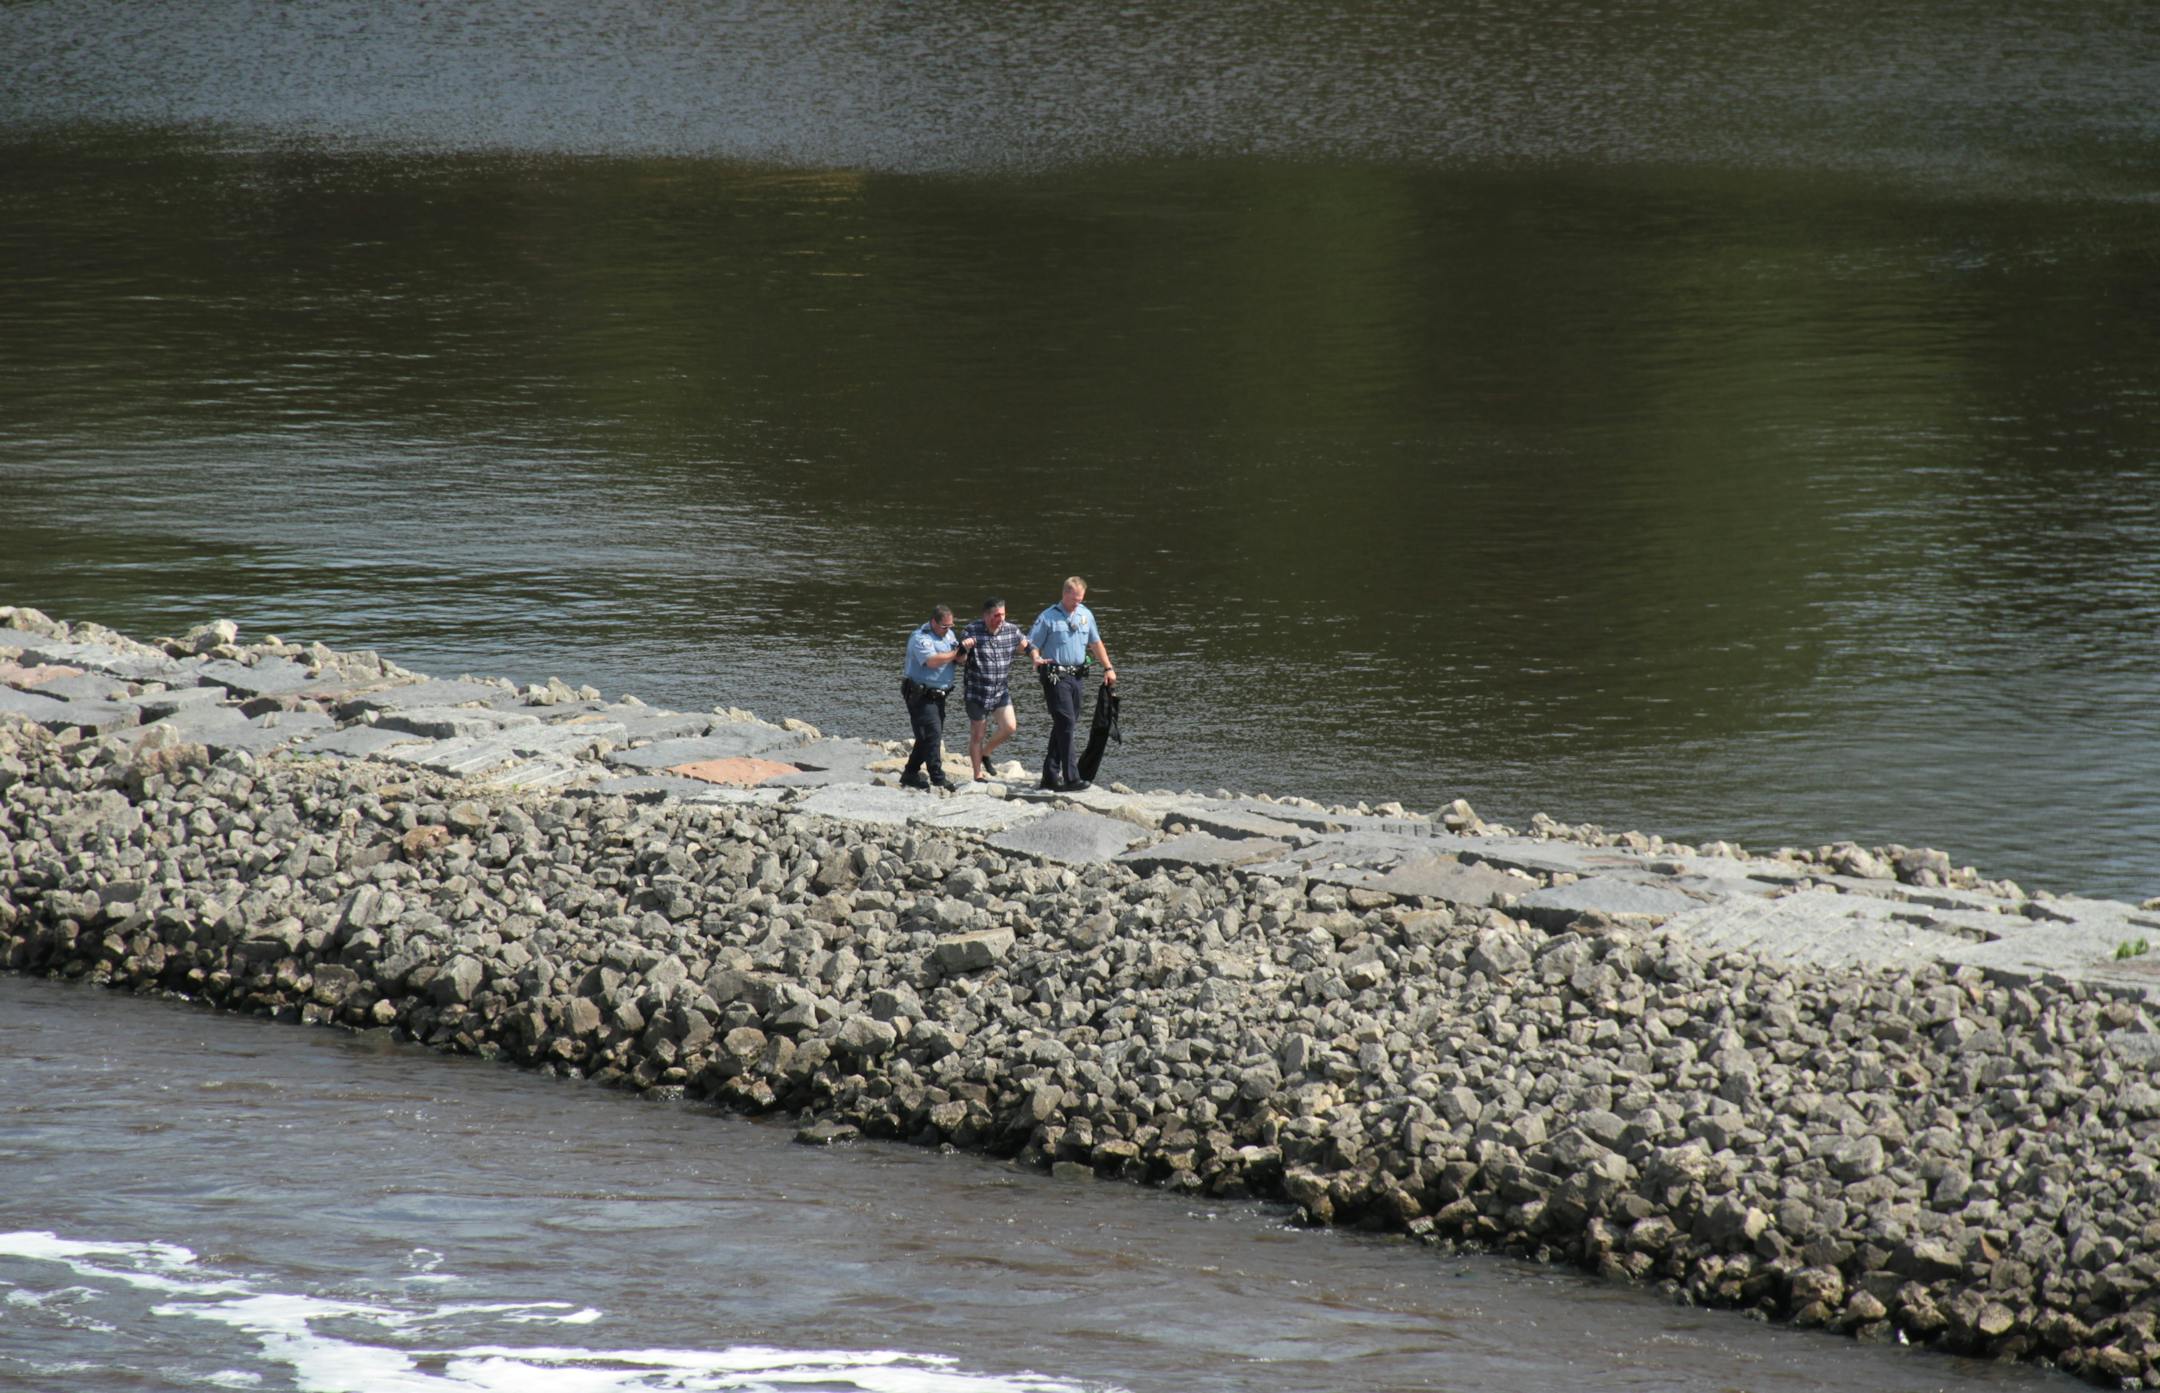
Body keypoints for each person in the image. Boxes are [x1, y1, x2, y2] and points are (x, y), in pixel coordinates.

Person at [1028, 576, 1117, 792]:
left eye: (1081, 599)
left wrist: (1108, 667)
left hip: (1077, 677)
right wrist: (1035, 658)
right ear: (1065, 593)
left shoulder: (1086, 615)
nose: (1078, 603)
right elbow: (1031, 644)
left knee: (1065, 724)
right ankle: (1071, 777)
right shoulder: (1048, 617)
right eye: (1074, 599)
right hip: (1055, 677)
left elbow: (1095, 643)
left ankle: (1049, 776)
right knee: (1066, 722)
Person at [959, 596, 1033, 782]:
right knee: (978, 734)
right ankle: (977, 774)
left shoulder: (1011, 630)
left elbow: (1028, 646)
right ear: (985, 616)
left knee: (1009, 727)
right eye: (996, 615)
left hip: (1000, 691)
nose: (1000, 619)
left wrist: (1036, 658)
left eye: (1003, 615)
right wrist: (963, 648)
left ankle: (986, 753)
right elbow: (959, 661)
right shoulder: (971, 630)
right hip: (977, 692)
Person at [900, 604, 962, 790]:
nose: (948, 630)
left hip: (939, 696)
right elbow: (932, 661)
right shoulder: (921, 638)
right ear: (934, 622)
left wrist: (963, 654)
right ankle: (938, 778)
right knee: (932, 736)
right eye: (944, 626)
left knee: (926, 736)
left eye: (951, 626)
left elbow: (957, 657)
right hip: (921, 695)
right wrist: (955, 654)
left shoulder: (949, 635)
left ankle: (910, 773)